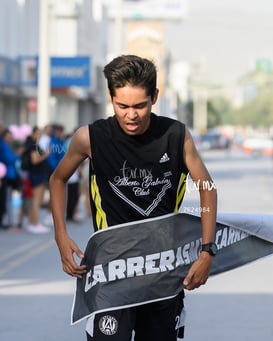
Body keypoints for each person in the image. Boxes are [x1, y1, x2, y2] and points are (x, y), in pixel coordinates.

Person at [49, 55, 217, 340]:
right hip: (110, 273)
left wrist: (207, 250)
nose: (131, 114)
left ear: (154, 96)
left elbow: (207, 187)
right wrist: (60, 235)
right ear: (110, 97)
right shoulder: (89, 138)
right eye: (122, 105)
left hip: (163, 271)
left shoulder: (176, 135)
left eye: (140, 105)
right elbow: (58, 179)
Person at [24, 127, 50, 234]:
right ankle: (34, 223)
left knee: (36, 200)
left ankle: (33, 223)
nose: (39, 135)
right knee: (36, 200)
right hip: (36, 174)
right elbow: (34, 160)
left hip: (37, 174)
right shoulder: (33, 146)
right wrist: (45, 155)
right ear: (34, 133)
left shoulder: (34, 144)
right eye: (38, 133)